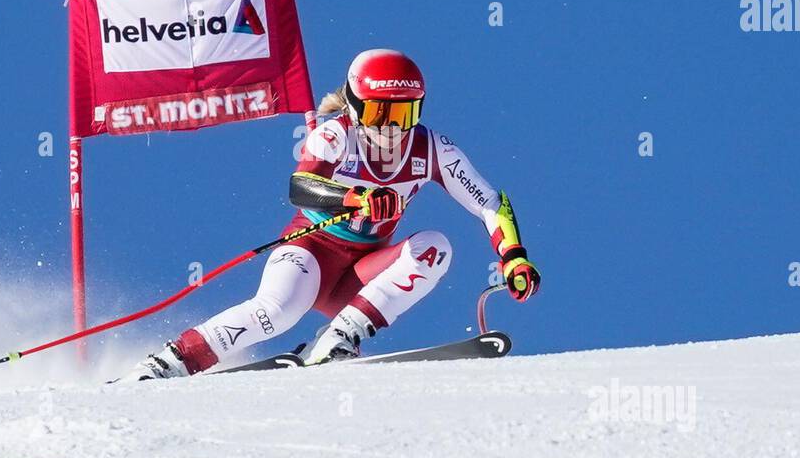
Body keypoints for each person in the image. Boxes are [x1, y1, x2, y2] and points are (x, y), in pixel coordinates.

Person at [129, 48, 540, 380]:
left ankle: (340, 337)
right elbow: (300, 187)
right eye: (381, 113)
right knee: (277, 311)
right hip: (310, 251)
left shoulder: (433, 149)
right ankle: (168, 364)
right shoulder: (335, 135)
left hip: (360, 276)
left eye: (404, 115)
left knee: (435, 248)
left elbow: (488, 201)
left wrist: (513, 256)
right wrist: (354, 198)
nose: (393, 128)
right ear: (357, 106)